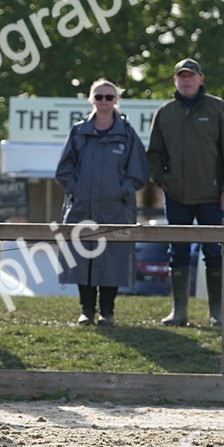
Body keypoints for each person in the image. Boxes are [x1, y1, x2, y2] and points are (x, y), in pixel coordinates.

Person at [147, 58, 224, 327]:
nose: (186, 80)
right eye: (181, 76)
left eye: (191, 76)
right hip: (176, 195)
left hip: (212, 197)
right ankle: (179, 312)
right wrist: (162, 179)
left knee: (214, 252)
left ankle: (218, 312)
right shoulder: (165, 112)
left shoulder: (217, 108)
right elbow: (154, 153)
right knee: (176, 252)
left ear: (202, 79)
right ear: (174, 81)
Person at [55, 79, 148, 327]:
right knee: (82, 257)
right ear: (91, 99)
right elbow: (64, 170)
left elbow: (139, 173)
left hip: (115, 209)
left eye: (109, 97)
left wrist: (120, 191)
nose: (104, 101)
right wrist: (78, 189)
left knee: (113, 258)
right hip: (82, 207)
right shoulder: (78, 131)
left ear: (116, 100)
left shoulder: (127, 133)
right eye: (99, 96)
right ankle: (87, 310)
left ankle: (108, 312)